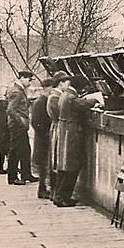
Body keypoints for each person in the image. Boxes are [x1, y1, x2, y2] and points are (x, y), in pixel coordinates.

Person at [54, 74, 99, 207]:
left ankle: (60, 196)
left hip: (65, 131)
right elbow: (82, 104)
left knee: (64, 166)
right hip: (71, 133)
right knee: (71, 165)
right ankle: (63, 198)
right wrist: (96, 99)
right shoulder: (71, 97)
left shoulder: (64, 94)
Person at [6, 70, 38, 185]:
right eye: (29, 80)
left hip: (19, 125)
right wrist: (21, 121)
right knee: (15, 151)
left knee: (25, 150)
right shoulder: (17, 92)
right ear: (22, 78)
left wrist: (29, 101)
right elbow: (10, 110)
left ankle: (26, 174)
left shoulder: (18, 90)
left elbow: (19, 106)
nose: (30, 83)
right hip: (17, 126)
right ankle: (12, 177)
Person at [44, 70, 70, 200]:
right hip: (58, 129)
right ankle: (56, 194)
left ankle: (55, 193)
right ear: (60, 84)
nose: (68, 86)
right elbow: (62, 113)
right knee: (57, 161)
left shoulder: (53, 95)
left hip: (56, 128)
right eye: (66, 83)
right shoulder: (55, 97)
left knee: (56, 161)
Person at [30, 77, 54, 199]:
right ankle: (41, 190)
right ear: (48, 88)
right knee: (43, 165)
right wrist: (46, 134)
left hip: (41, 137)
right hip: (42, 137)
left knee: (43, 165)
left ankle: (43, 189)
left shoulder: (39, 101)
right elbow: (36, 122)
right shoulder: (42, 102)